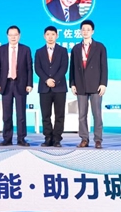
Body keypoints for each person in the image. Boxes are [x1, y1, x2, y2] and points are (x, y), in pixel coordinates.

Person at [69, 20, 108, 149]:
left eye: (88, 29)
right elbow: (72, 67)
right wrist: (72, 83)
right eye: (83, 29)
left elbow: (104, 66)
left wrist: (103, 83)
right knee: (82, 115)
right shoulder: (76, 48)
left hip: (96, 85)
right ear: (80, 31)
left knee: (97, 114)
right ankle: (84, 139)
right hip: (80, 85)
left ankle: (98, 139)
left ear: (92, 32)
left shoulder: (100, 47)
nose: (85, 31)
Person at [0, 25, 33, 146]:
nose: (13, 37)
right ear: (7, 36)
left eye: (15, 35)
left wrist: (29, 84)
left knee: (21, 114)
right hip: (6, 84)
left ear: (19, 36)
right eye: (10, 35)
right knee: (6, 114)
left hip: (21, 84)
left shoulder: (25, 49)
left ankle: (21, 138)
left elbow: (29, 68)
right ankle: (7, 138)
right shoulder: (1, 50)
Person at [34, 26, 69, 147]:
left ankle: (57, 138)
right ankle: (48, 137)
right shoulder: (39, 52)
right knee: (46, 115)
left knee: (59, 115)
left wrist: (54, 80)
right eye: (48, 34)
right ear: (44, 36)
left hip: (59, 87)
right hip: (44, 88)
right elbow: (37, 68)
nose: (50, 37)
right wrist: (46, 80)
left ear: (57, 36)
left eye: (53, 34)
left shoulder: (63, 50)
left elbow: (64, 67)